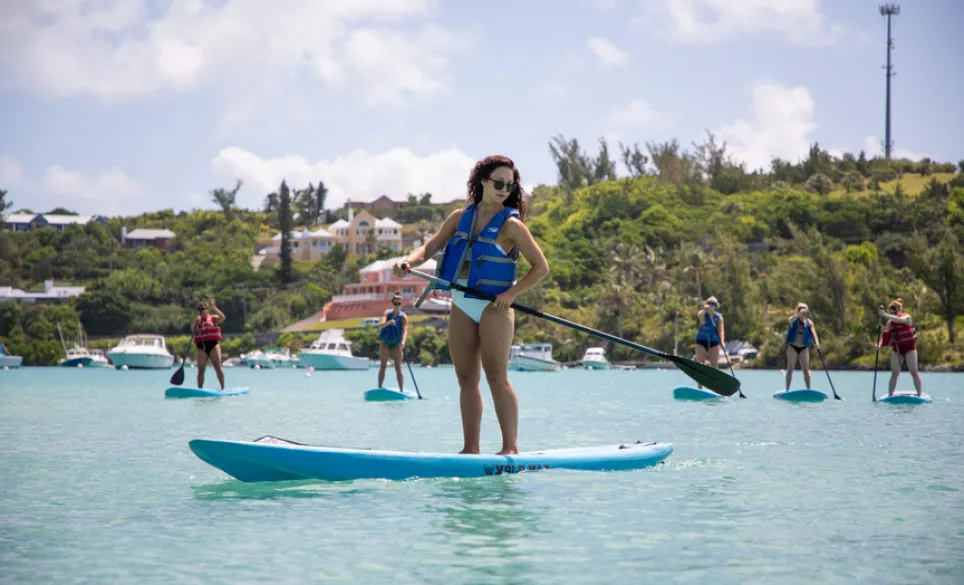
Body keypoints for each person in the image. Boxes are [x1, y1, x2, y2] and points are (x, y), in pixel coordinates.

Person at [394, 155, 549, 455]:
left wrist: (512, 294)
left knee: (496, 376)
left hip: (495, 309)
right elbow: (429, 248)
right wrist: (407, 262)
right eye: (499, 183)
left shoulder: (513, 225)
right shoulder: (459, 217)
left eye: (510, 185)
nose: (505, 189)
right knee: (466, 378)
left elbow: (540, 267)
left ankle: (510, 450)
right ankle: (471, 450)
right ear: (483, 181)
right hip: (463, 303)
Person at [879, 298, 924, 396]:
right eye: (892, 311)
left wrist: (885, 315)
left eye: (894, 310)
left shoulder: (907, 317)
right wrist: (879, 345)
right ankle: (890, 395)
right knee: (894, 373)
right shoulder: (890, 322)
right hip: (898, 349)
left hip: (910, 348)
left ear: (900, 309)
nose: (893, 313)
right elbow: (885, 334)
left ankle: (919, 394)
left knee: (914, 372)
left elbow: (900, 320)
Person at [377, 291, 408, 391]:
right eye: (395, 303)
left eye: (399, 303)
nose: (397, 305)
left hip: (396, 344)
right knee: (383, 366)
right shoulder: (387, 313)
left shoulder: (403, 316)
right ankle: (379, 388)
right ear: (392, 304)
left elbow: (405, 331)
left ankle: (401, 390)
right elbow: (381, 324)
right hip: (386, 343)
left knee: (398, 368)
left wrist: (403, 342)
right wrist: (389, 322)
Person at [784, 302, 820, 390]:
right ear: (798, 310)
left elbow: (813, 333)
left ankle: (808, 389)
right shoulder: (793, 319)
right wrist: (798, 315)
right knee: (790, 369)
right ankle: (787, 390)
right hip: (793, 347)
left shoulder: (809, 322)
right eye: (801, 310)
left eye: (805, 311)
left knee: (806, 371)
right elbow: (790, 321)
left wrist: (817, 343)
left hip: (803, 348)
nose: (803, 312)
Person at [192, 298, 226, 390]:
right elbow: (193, 329)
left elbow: (222, 318)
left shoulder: (213, 318)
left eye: (204, 310)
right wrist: (196, 322)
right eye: (201, 311)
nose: (203, 312)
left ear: (207, 310)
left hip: (213, 344)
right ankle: (200, 389)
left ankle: (223, 388)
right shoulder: (197, 320)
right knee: (201, 370)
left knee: (217, 366)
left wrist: (214, 307)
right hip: (201, 346)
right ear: (198, 312)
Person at [694, 296, 724, 387]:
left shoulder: (719, 318)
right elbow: (702, 320)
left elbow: (721, 330)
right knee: (700, 363)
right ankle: (700, 387)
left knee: (714, 366)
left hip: (714, 342)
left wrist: (722, 341)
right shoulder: (702, 314)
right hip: (701, 341)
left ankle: (715, 386)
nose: (711, 306)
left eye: (713, 304)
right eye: (709, 304)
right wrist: (706, 310)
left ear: (716, 306)